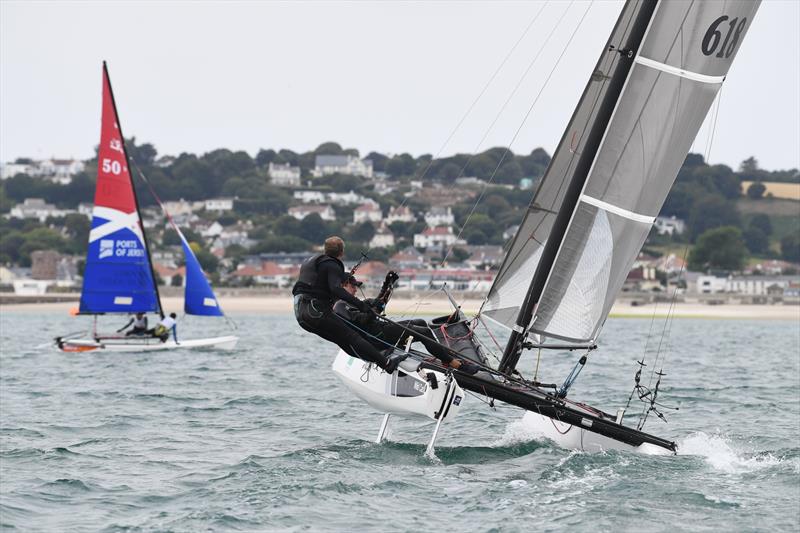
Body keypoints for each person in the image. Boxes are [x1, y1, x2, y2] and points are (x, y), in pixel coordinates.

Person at [292, 236, 407, 373]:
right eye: (353, 286)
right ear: (341, 252)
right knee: (351, 336)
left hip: (301, 313)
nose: (356, 289)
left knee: (342, 339)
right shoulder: (332, 264)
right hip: (315, 311)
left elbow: (321, 288)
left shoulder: (312, 263)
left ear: (325, 249)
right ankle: (387, 364)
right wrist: (361, 305)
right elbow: (335, 288)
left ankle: (374, 358)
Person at [334, 276, 479, 374]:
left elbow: (378, 307)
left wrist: (387, 285)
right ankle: (454, 363)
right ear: (343, 285)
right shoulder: (340, 305)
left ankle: (444, 355)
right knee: (423, 333)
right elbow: (363, 320)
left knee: (420, 322)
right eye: (353, 286)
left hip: (380, 330)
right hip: (378, 337)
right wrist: (371, 309)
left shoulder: (350, 302)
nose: (355, 289)